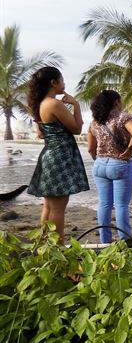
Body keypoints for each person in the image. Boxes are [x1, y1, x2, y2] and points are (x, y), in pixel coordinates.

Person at [27, 66, 89, 242]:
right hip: (60, 157)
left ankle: (44, 246)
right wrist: (76, 105)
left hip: (50, 155)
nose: (64, 83)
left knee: (48, 206)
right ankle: (57, 248)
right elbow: (77, 129)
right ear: (53, 83)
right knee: (58, 208)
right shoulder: (54, 103)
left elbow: (40, 134)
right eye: (62, 80)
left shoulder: (40, 104)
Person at [87, 90, 132, 243]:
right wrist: (129, 150)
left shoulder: (95, 122)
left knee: (104, 204)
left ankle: (105, 241)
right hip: (120, 164)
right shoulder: (122, 117)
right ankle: (125, 239)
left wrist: (101, 161)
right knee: (121, 205)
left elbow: (91, 148)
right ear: (116, 102)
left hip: (99, 165)